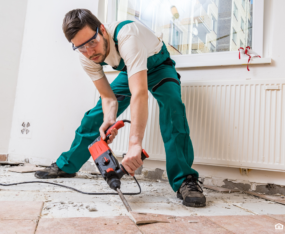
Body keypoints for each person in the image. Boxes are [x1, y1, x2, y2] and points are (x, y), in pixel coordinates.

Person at [34, 9, 206, 207]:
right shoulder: (85, 56)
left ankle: (186, 180)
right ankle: (67, 165)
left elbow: (139, 93)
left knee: (173, 108)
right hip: (130, 69)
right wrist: (109, 118)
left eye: (92, 42)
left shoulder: (127, 36)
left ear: (102, 30)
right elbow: (108, 97)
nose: (89, 52)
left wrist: (135, 144)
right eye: (81, 47)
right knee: (94, 116)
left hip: (158, 66)